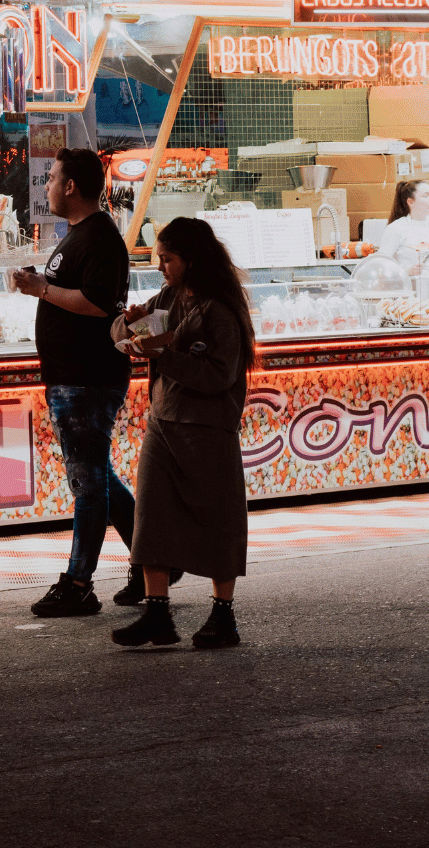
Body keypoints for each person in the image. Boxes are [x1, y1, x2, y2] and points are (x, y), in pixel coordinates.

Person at [106, 217, 253, 650]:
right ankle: (156, 611)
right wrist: (127, 324)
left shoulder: (219, 310)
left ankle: (222, 615)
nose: (160, 267)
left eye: (166, 259)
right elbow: (127, 333)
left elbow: (217, 376)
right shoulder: (170, 296)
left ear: (191, 259)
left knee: (217, 520)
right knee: (151, 517)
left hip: (207, 428)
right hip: (163, 422)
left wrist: (162, 353)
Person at [11, 147, 141, 616]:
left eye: (51, 178)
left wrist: (40, 288)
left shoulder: (100, 236)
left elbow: (97, 303)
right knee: (99, 476)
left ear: (70, 186)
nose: (45, 186)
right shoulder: (80, 235)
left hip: (87, 379)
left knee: (87, 484)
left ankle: (79, 582)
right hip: (72, 377)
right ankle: (153, 560)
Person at [381, 179, 429, 270]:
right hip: (411, 283)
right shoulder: (396, 228)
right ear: (410, 202)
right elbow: (382, 264)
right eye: (425, 195)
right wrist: (407, 271)